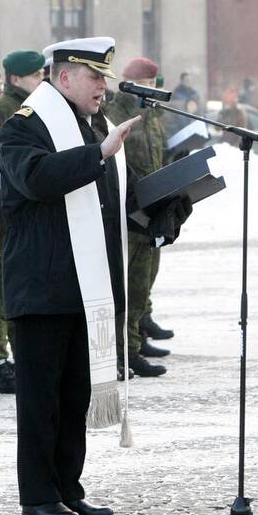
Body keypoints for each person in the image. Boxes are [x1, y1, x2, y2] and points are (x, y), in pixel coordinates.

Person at [0, 36, 142, 515]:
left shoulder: (89, 127)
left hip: (83, 287)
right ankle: (37, 496)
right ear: (63, 77)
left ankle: (67, 488)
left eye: (104, 75)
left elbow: (108, 203)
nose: (105, 85)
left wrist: (165, 204)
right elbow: (35, 179)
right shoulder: (25, 127)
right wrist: (99, 152)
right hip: (43, 286)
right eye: (95, 76)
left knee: (74, 396)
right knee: (41, 401)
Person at [0, 50, 48, 393]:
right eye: (36, 76)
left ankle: (14, 356)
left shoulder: (34, 109)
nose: (42, 81)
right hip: (5, 217)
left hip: (26, 216)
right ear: (16, 79)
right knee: (0, 291)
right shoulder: (1, 114)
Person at [102, 56, 174, 378]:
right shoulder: (114, 115)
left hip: (151, 212)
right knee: (122, 287)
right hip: (125, 215)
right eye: (147, 85)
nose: (153, 91)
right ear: (132, 85)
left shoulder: (152, 116)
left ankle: (133, 346)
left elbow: (155, 158)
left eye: (155, 85)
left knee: (141, 285)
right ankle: (118, 353)